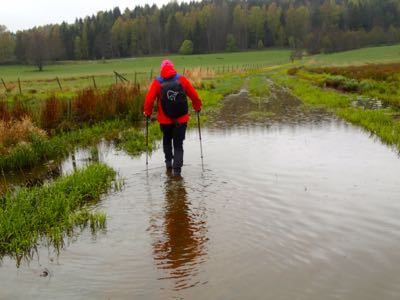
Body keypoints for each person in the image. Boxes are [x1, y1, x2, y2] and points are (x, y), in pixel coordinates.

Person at [144, 60, 202, 176]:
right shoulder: (182, 79)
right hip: (181, 120)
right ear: (173, 68)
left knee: (166, 140)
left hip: (165, 121)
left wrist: (147, 112)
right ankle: (177, 172)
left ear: (161, 69)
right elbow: (194, 95)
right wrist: (197, 107)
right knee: (178, 144)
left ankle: (168, 164)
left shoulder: (157, 82)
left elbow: (149, 99)